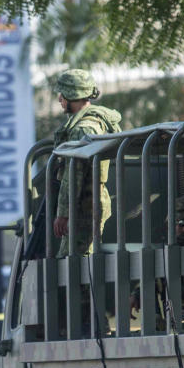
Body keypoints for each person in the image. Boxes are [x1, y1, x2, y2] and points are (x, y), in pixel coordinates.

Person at [52, 69, 122, 257]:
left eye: (63, 93)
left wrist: (64, 213)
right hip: (89, 202)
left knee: (72, 265)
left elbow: (73, 175)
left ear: (72, 94)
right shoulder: (94, 123)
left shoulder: (83, 129)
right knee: (78, 264)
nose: (60, 99)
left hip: (85, 206)